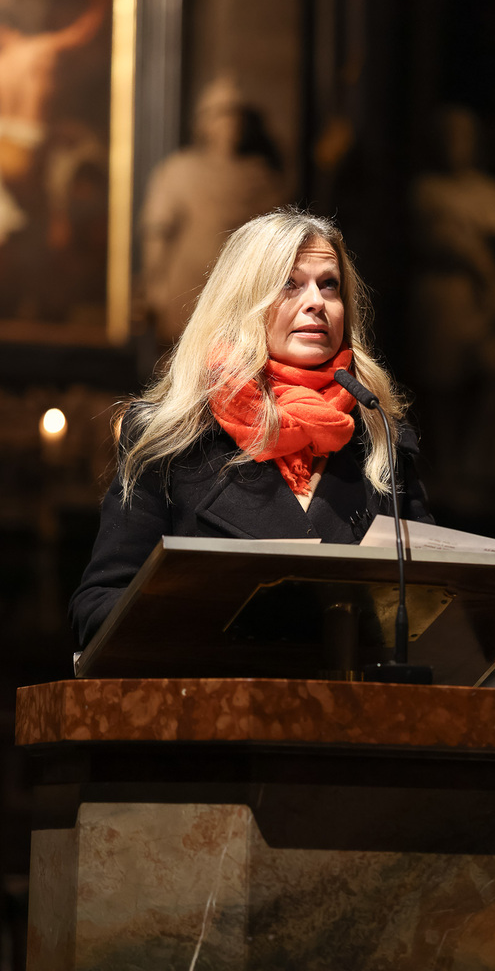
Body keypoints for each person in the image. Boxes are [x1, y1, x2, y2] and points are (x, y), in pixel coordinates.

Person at [70, 208, 433, 648]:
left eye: (329, 285)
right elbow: (99, 608)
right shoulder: (170, 439)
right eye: (290, 284)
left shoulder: (379, 437)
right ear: (244, 302)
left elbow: (436, 600)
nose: (316, 301)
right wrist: (216, 616)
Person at [139, 76, 287, 344]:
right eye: (221, 113)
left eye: (235, 113)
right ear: (203, 121)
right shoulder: (179, 171)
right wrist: (155, 286)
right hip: (184, 294)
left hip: (239, 298)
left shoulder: (260, 178)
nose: (230, 122)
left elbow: (276, 246)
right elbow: (157, 234)